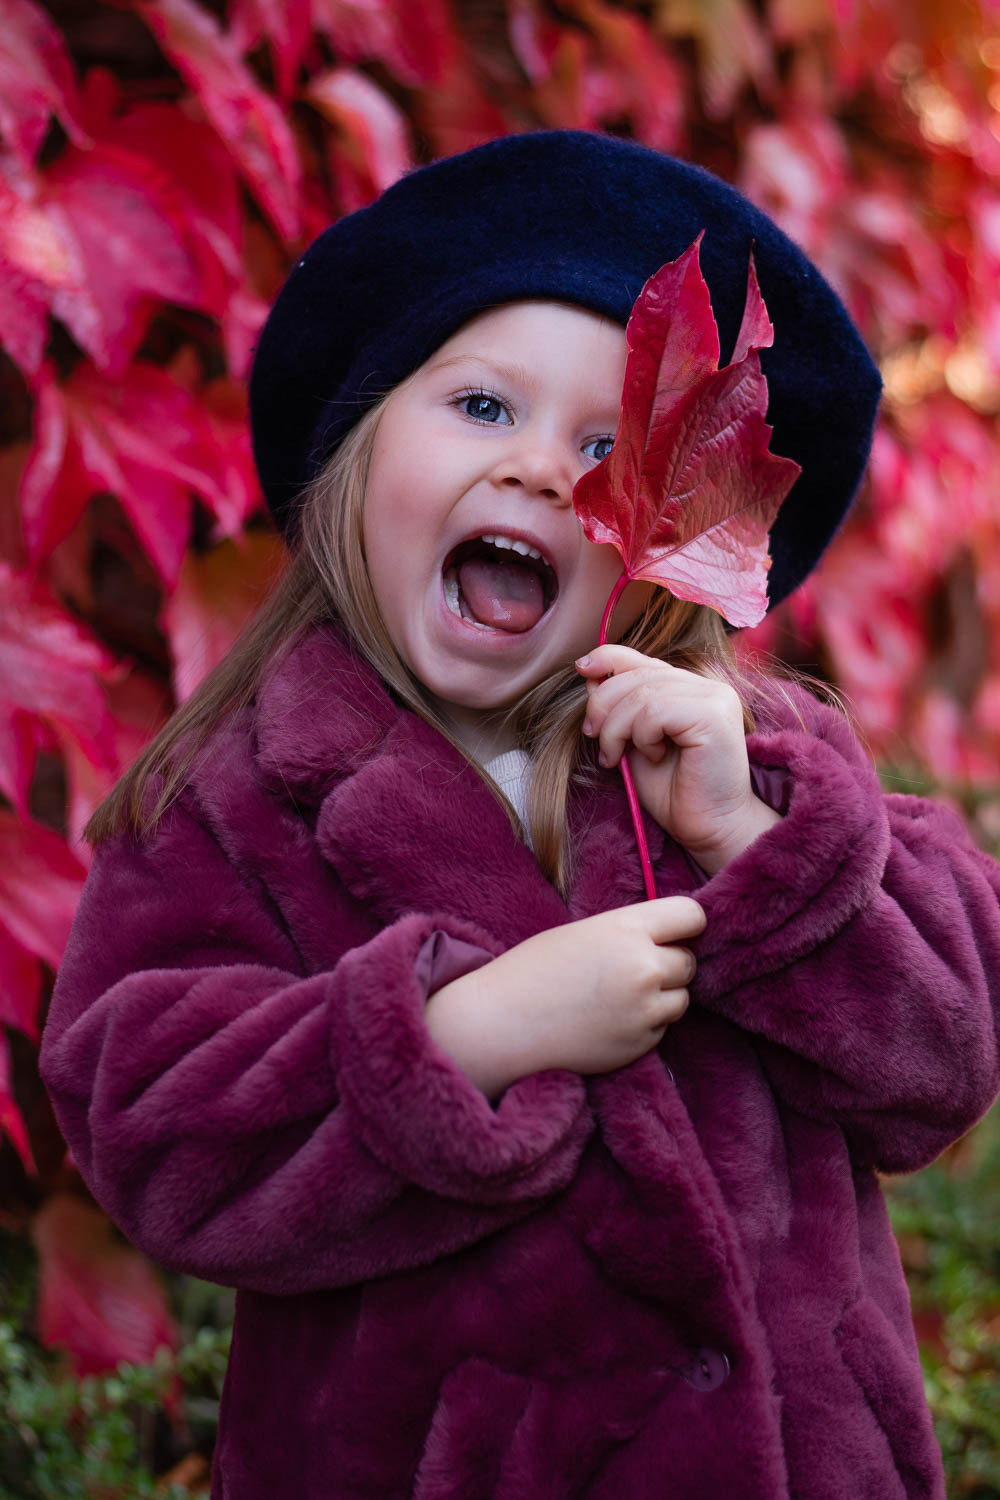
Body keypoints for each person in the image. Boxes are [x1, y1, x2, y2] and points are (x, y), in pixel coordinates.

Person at [39, 131, 1000, 1500]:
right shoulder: (239, 802)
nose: (547, 471)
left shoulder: (758, 761)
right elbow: (154, 1128)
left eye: (611, 445)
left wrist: (757, 848)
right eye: (484, 408)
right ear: (361, 456)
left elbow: (944, 1061)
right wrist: (465, 1035)